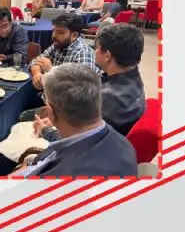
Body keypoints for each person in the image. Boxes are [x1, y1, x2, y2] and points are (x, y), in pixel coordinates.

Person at [11, 65, 139, 177]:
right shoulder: (123, 143)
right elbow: (75, 141)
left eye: (45, 98)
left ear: (50, 112)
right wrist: (45, 131)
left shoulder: (61, 177)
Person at [93, 23, 147, 135]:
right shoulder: (134, 76)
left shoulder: (107, 98)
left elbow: (82, 136)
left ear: (107, 55)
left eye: (97, 48)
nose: (95, 52)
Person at [30, 12, 96, 89]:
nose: (54, 35)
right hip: (50, 92)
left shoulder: (83, 53)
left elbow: (83, 87)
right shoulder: (58, 44)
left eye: (60, 32)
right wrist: (37, 73)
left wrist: (51, 70)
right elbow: (34, 61)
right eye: (53, 31)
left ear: (74, 35)